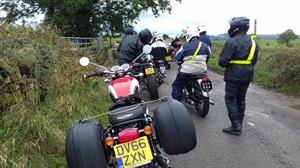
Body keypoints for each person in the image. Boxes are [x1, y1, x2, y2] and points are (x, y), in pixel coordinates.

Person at [218, 17, 259, 136]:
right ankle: (239, 123)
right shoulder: (254, 43)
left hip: (234, 75)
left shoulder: (231, 42)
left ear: (236, 27)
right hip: (247, 75)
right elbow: (254, 61)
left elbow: (222, 62)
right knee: (241, 99)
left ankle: (236, 126)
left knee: (230, 99)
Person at [171, 28, 211, 101]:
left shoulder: (185, 46)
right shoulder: (206, 46)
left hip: (186, 71)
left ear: (188, 36)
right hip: (202, 71)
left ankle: (176, 104)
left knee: (177, 85)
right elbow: (208, 57)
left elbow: (177, 57)